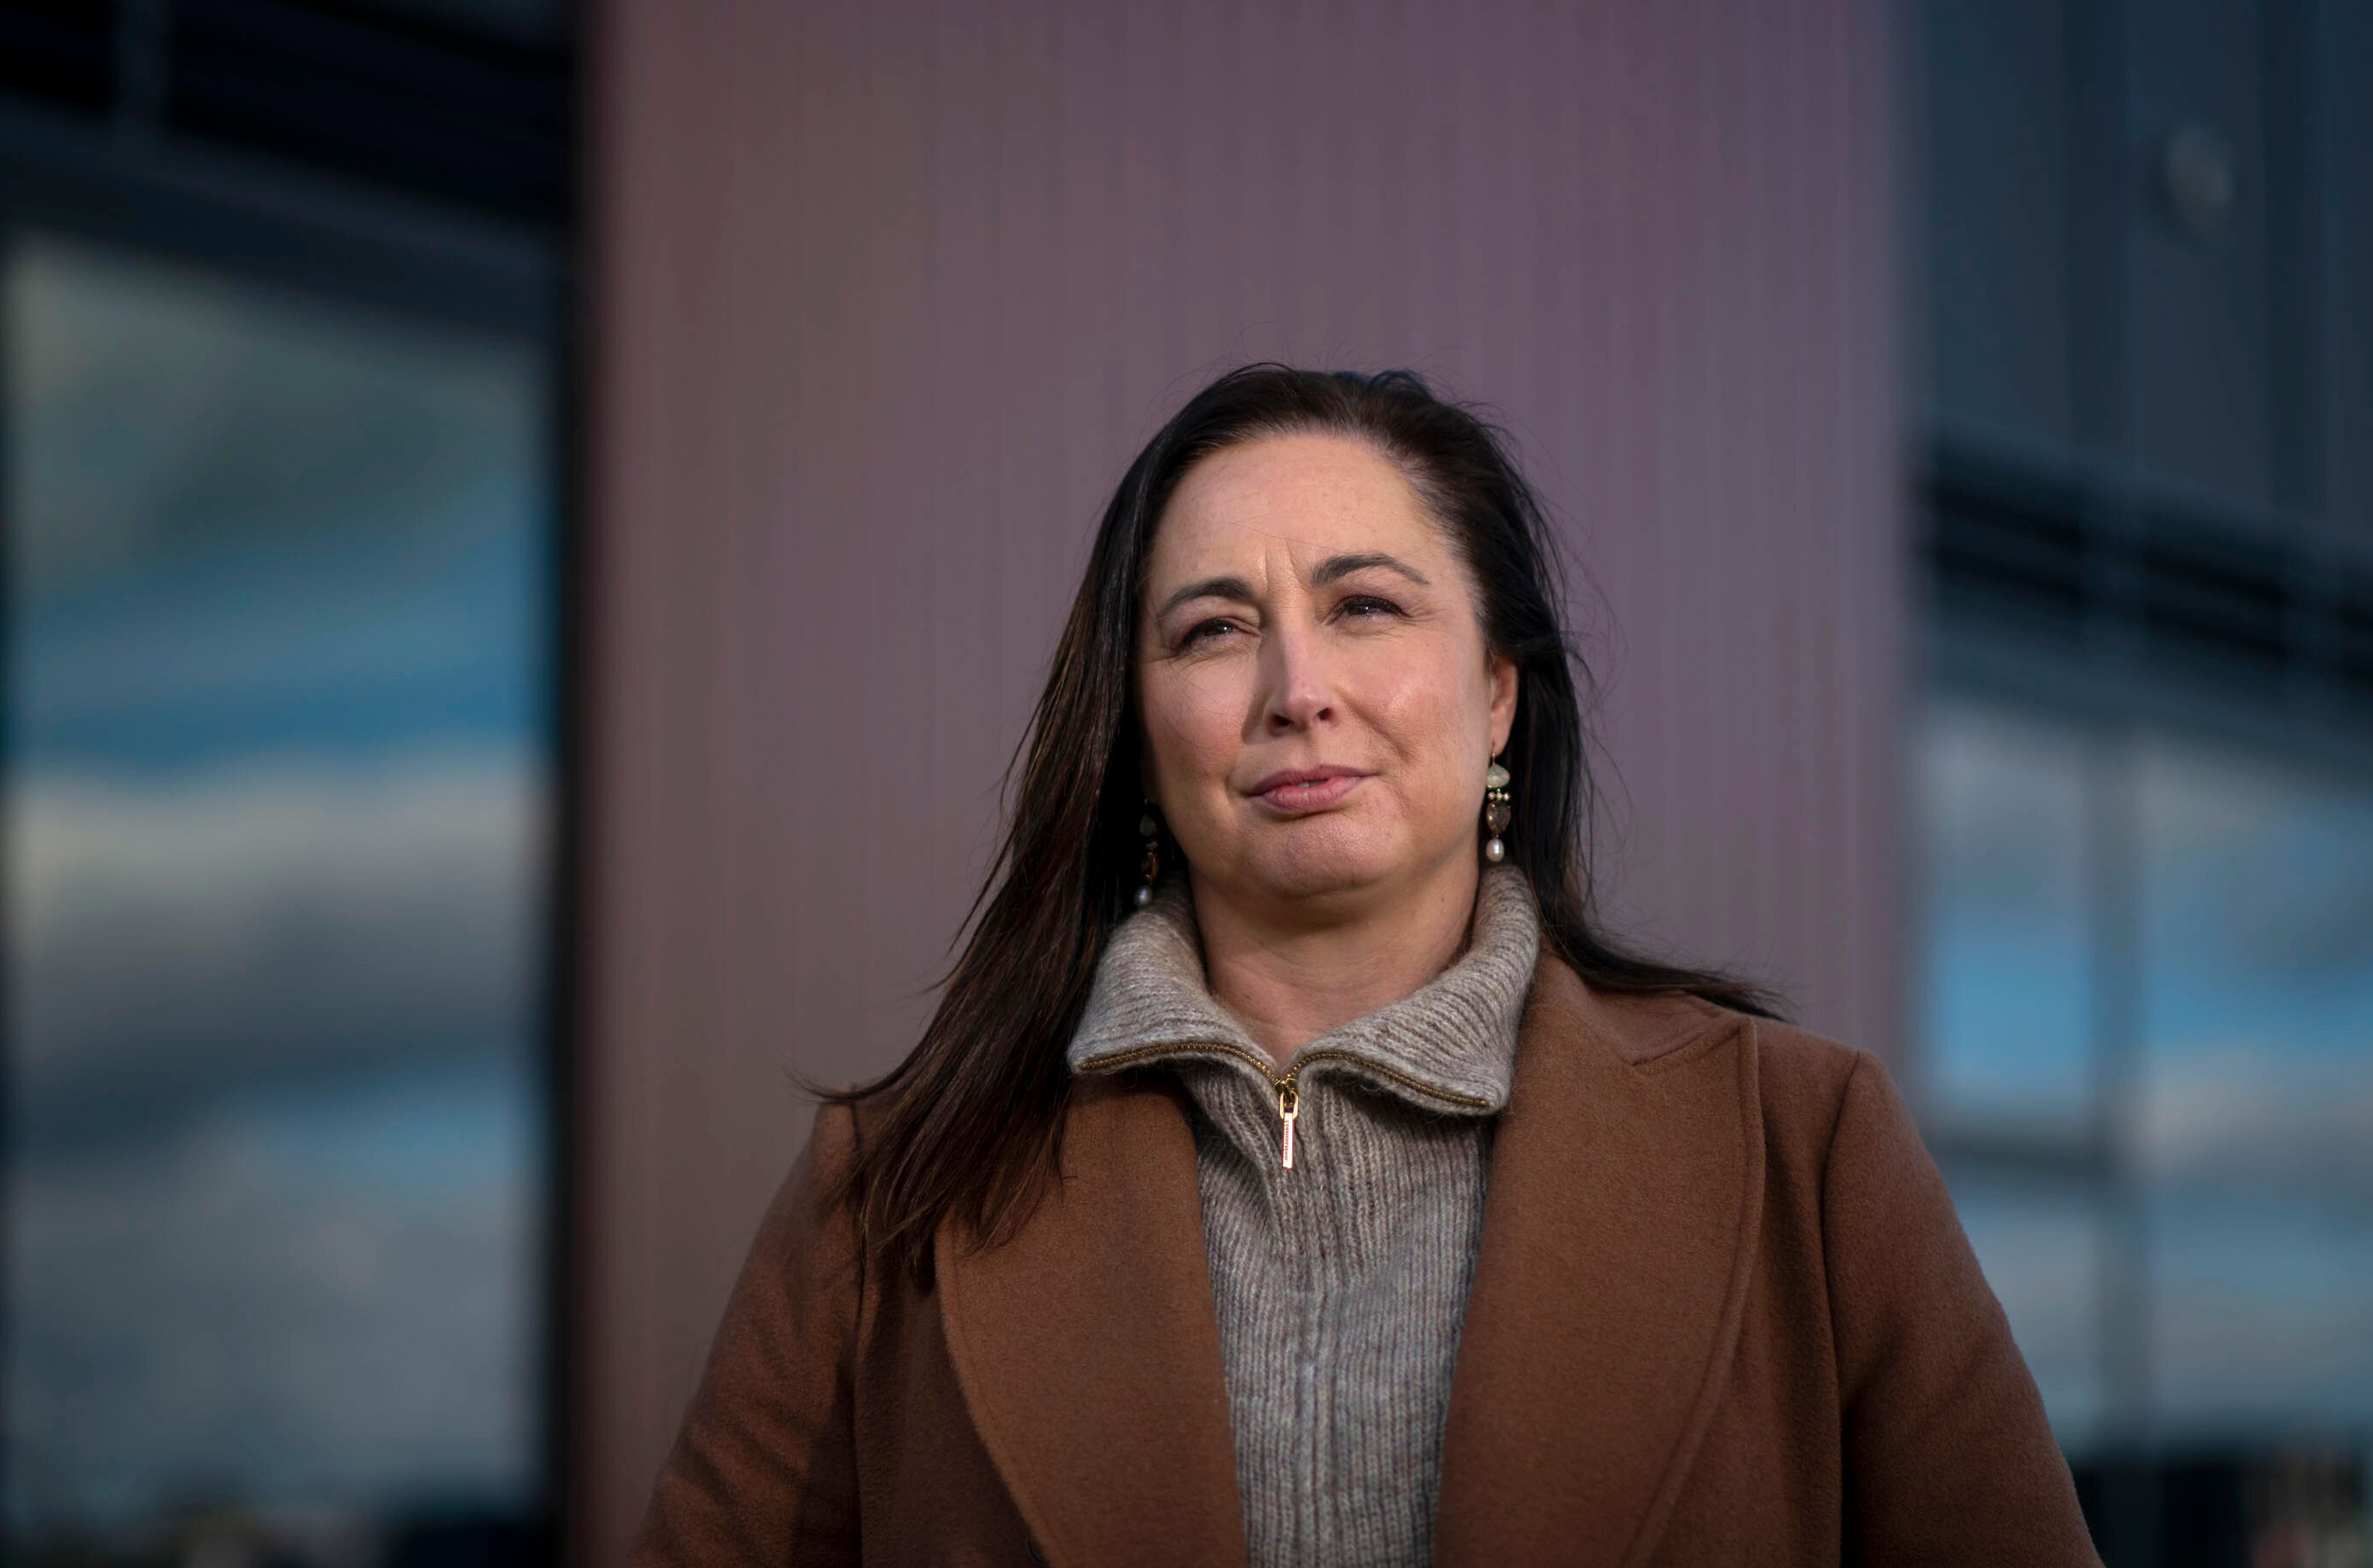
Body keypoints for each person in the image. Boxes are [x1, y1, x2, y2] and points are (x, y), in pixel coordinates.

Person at [632, 365, 2105, 1566]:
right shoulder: (886, 1192)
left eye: (1366, 606)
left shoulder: (1807, 1145)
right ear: (1140, 734)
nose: (1296, 691)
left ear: (1499, 693)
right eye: (1215, 629)